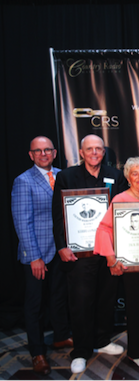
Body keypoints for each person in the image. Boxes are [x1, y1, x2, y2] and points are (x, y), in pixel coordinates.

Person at [52, 134, 129, 374]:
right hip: (79, 253)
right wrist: (61, 246)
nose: (94, 152)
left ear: (103, 152)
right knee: (81, 302)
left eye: (98, 148)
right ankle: (81, 351)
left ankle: (101, 340)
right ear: (81, 152)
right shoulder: (66, 176)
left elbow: (123, 209)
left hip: (107, 250)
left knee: (106, 297)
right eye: (90, 149)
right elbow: (57, 215)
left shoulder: (115, 176)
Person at [94, 157, 139, 368]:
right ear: (127, 177)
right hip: (131, 264)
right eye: (135, 173)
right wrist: (110, 258)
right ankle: (136, 352)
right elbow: (103, 229)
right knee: (136, 308)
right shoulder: (120, 199)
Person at [11, 136, 72, 375]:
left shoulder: (63, 175)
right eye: (38, 151)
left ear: (55, 153)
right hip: (37, 253)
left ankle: (60, 336)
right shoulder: (23, 181)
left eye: (47, 150)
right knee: (35, 304)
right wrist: (33, 256)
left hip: (60, 250)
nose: (43, 154)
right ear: (31, 155)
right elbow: (22, 222)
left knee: (59, 297)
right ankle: (37, 351)